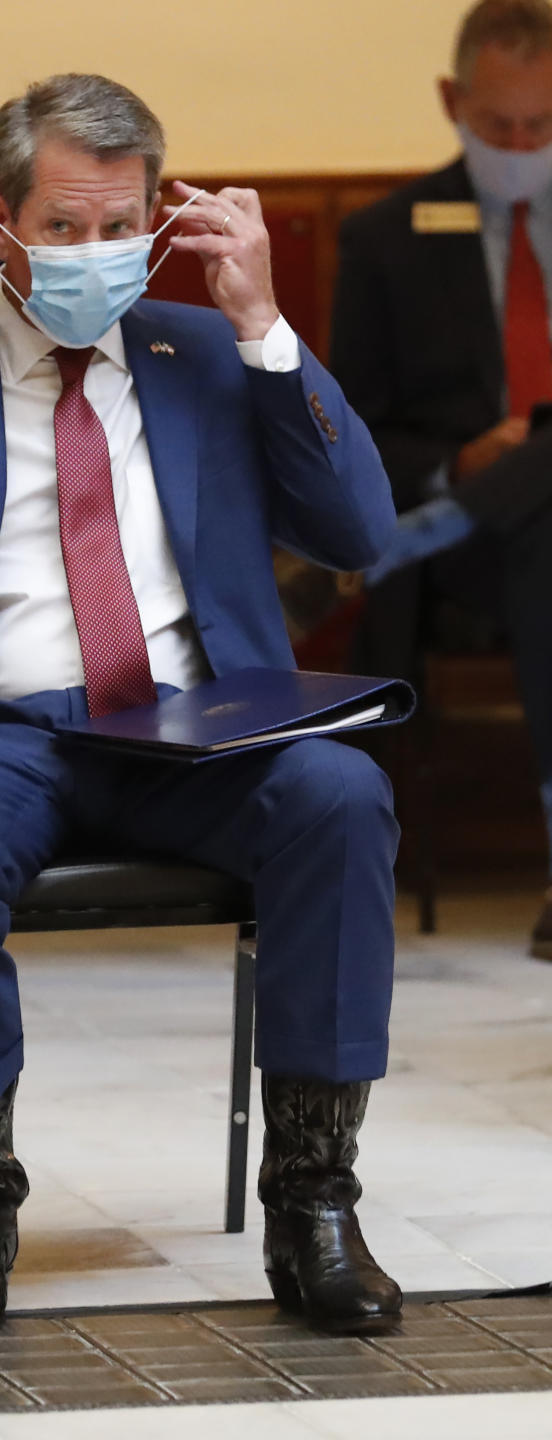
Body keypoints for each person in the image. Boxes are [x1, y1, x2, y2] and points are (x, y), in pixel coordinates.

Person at [0, 72, 401, 1336]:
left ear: (164, 216)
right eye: (63, 227)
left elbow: (358, 530)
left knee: (341, 793)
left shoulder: (209, 351)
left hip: (190, 728)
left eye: (122, 225)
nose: (96, 254)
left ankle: (314, 1197)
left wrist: (267, 321)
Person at [331, 0, 552, 959]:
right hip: (479, 553)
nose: (518, 145)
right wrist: (458, 464)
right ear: (451, 100)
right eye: (497, 125)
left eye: (541, 127)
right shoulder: (388, 238)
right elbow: (350, 433)